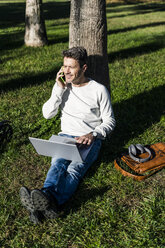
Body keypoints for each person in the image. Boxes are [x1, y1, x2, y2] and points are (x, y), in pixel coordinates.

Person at [20, 46, 116, 223]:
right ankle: (48, 201)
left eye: (72, 67)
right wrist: (58, 89)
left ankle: (48, 202)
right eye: (64, 66)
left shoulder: (98, 90)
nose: (67, 71)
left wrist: (93, 134)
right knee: (57, 165)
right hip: (64, 137)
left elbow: (110, 121)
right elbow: (47, 114)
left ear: (84, 68)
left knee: (73, 170)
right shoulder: (62, 87)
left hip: (89, 140)